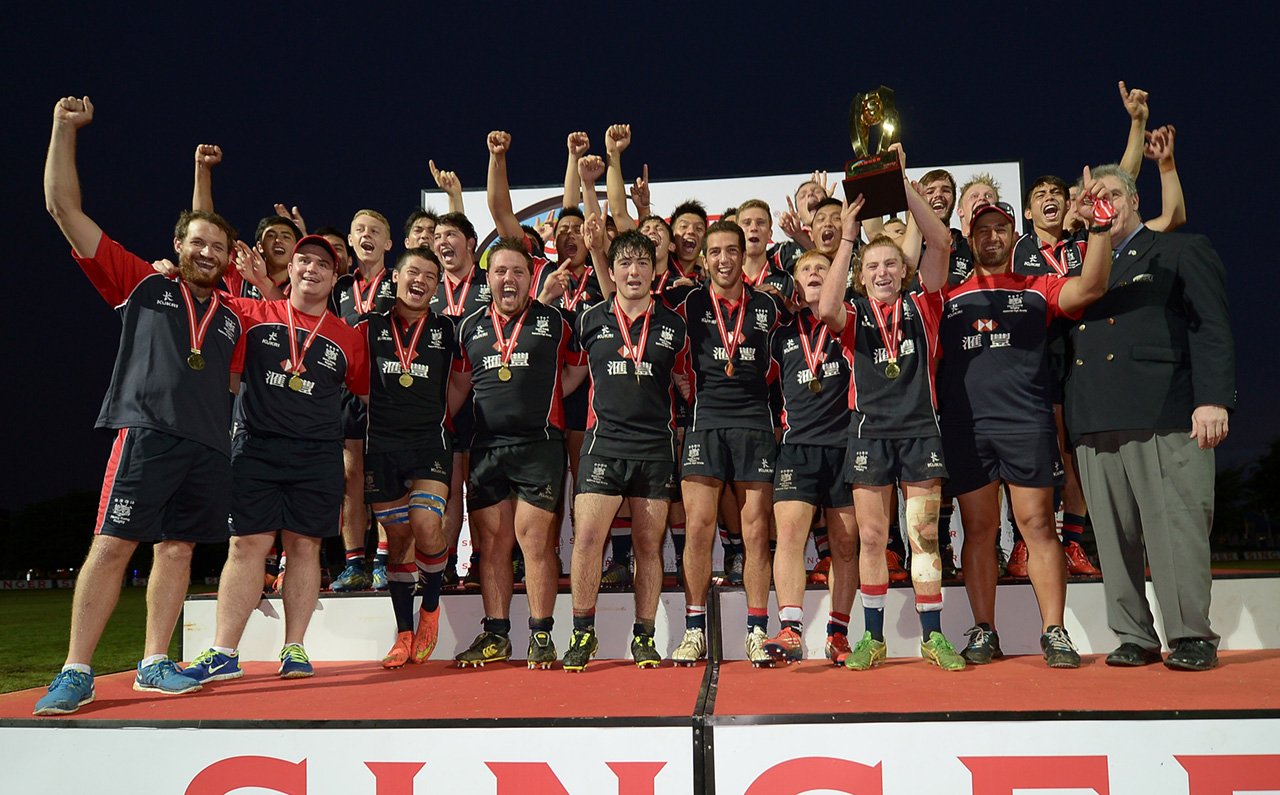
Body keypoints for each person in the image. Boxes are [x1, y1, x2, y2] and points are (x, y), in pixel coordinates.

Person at [34, 96, 244, 715]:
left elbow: (233, 384)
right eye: (198, 242)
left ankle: (155, 662)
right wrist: (62, 130)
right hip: (147, 432)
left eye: (218, 246)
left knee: (177, 549)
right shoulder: (141, 283)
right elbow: (62, 207)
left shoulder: (232, 316)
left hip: (207, 447)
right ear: (178, 244)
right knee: (113, 543)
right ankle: (77, 669)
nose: (208, 252)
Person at [939, 179, 1115, 670]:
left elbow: (1093, 286)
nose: (992, 236)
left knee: (1038, 525)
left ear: (1015, 236)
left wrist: (1099, 228)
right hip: (967, 428)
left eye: (1000, 229)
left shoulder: (1037, 290)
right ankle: (984, 629)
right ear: (969, 238)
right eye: (983, 230)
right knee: (977, 530)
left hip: (1027, 423)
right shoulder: (948, 296)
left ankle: (1053, 631)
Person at [1067, 164, 1234, 671]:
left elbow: (1211, 326)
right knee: (1113, 540)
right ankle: (1133, 635)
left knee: (1175, 526)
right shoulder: (1079, 266)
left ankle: (1189, 635)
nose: (1107, 205)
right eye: (1097, 197)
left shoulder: (1179, 250)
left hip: (1162, 410)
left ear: (1135, 201)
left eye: (1114, 194)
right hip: (1095, 415)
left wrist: (1214, 399)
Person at [185, 234, 369, 682]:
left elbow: (360, 392)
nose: (311, 269)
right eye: (304, 261)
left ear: (335, 277)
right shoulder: (253, 315)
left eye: (322, 265)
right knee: (246, 545)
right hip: (256, 448)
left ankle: (295, 647)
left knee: (304, 547)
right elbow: (226, 367)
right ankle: (224, 650)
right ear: (292, 269)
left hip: (317, 454)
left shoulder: (350, 339)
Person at [820, 152, 965, 673]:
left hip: (921, 432)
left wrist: (902, 189)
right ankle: (874, 638)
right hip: (869, 434)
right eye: (872, 267)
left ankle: (932, 637)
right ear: (862, 275)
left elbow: (942, 242)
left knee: (923, 537)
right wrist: (849, 238)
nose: (882, 273)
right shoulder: (854, 315)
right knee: (875, 538)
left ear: (903, 271)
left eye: (890, 265)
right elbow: (824, 309)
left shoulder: (924, 304)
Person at [450, 239, 587, 669]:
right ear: (487, 278)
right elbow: (458, 386)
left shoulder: (558, 321)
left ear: (533, 278)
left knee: (534, 540)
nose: (508, 279)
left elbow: (578, 368)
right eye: (500, 272)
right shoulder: (468, 326)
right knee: (491, 545)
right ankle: (496, 635)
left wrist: (551, 399)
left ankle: (541, 634)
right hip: (487, 448)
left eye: (517, 272)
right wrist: (437, 426)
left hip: (539, 445)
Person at [563, 229, 690, 671]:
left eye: (642, 263)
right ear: (611, 271)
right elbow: (567, 379)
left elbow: (687, 382)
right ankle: (582, 633)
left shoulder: (674, 324)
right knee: (588, 541)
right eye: (624, 263)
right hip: (603, 445)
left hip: (654, 448)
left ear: (655, 269)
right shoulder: (589, 319)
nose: (633, 271)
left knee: (648, 545)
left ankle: (645, 637)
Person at [672, 220, 782, 667]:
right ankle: (694, 629)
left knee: (756, 530)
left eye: (730, 251)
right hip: (704, 422)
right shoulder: (687, 304)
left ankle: (757, 630)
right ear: (704, 258)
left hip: (755, 423)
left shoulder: (770, 308)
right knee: (698, 528)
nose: (722, 259)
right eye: (714, 251)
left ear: (744, 255)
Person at [358, 247, 458, 668]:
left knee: (425, 522)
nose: (420, 281)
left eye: (430, 276)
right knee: (398, 540)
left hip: (429, 442)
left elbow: (463, 379)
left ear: (438, 287)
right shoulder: (367, 326)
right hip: (380, 446)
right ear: (395, 276)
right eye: (413, 272)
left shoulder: (448, 329)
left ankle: (430, 609)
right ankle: (403, 632)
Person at [761, 248, 858, 666]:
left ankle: (838, 633)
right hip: (797, 448)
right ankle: (790, 629)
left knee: (846, 545)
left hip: (846, 446)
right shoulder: (782, 333)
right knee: (789, 538)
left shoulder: (849, 322)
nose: (816, 273)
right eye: (806, 269)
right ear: (795, 283)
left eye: (823, 267)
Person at [329, 210, 398, 591]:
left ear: (388, 243)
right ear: (351, 242)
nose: (366, 235)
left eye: (375, 230)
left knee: (385, 478)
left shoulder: (402, 281)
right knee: (351, 478)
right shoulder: (338, 287)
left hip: (389, 393)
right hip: (348, 394)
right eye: (359, 231)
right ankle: (355, 562)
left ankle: (384, 561)